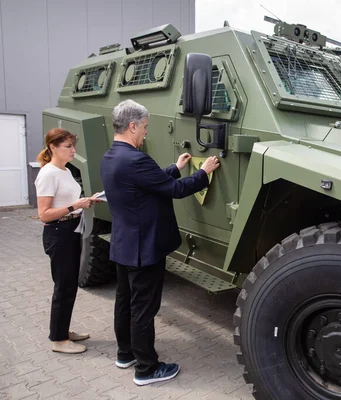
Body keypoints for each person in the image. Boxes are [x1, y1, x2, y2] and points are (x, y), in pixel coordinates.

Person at [100, 99, 220, 386]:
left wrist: (175, 167)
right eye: (144, 127)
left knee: (125, 303)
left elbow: (148, 185)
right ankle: (146, 368)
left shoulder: (112, 156)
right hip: (145, 249)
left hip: (124, 244)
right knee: (144, 308)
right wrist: (205, 173)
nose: (145, 133)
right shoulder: (136, 159)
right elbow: (176, 191)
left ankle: (125, 353)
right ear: (132, 126)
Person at [34, 128, 101, 354]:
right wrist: (75, 206)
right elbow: (43, 214)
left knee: (70, 284)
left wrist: (87, 201)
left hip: (70, 228)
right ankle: (59, 340)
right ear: (53, 147)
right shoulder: (48, 173)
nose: (73, 150)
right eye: (68, 146)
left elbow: (69, 200)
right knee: (63, 286)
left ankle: (63, 330)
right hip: (58, 232)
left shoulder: (64, 171)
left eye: (73, 145)